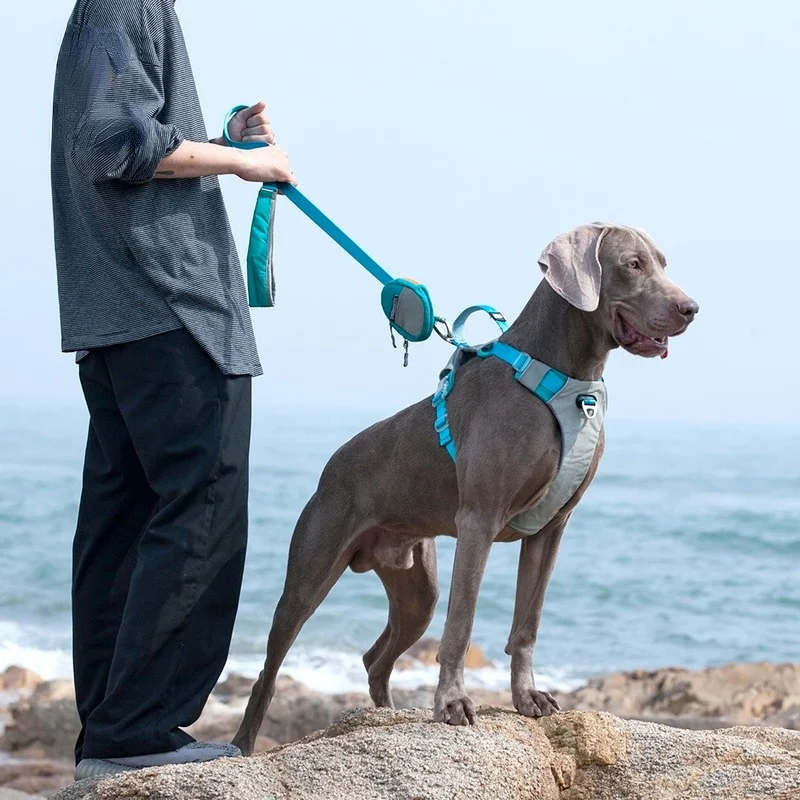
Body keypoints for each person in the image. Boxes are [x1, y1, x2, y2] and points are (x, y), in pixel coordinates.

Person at [50, 0, 295, 781]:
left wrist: (221, 142)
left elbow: (129, 144)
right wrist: (242, 164)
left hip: (125, 317)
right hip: (172, 309)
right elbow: (112, 143)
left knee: (124, 525)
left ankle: (115, 734)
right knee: (201, 510)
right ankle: (139, 726)